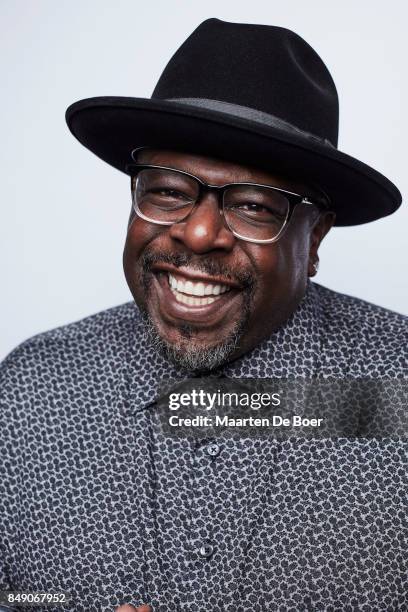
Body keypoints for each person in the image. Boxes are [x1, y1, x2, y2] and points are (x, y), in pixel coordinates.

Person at [0, 18, 406, 612]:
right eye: (167, 191)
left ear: (315, 235)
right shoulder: (31, 391)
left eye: (252, 205)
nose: (196, 233)